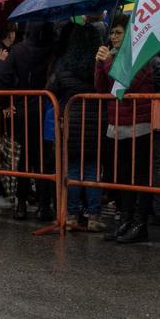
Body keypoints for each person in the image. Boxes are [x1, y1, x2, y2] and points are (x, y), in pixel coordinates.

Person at [94, 14, 160, 243]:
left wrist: (106, 63)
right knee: (122, 176)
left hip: (137, 125)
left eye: (118, 32)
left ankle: (140, 223)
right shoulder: (112, 56)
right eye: (111, 32)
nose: (113, 37)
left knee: (139, 176)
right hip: (116, 125)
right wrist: (99, 63)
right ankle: (125, 219)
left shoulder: (140, 56)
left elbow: (126, 80)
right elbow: (102, 88)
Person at [0, 22, 55, 220]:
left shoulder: (18, 50)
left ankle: (21, 205)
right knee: (44, 161)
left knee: (25, 159)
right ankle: (44, 206)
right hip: (46, 109)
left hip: (22, 109)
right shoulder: (53, 50)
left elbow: (3, 78)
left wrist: (5, 102)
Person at [52, 17, 108, 231]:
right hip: (97, 122)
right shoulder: (99, 65)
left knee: (73, 168)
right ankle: (94, 216)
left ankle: (72, 215)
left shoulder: (65, 67)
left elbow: (53, 88)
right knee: (93, 169)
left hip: (72, 121)